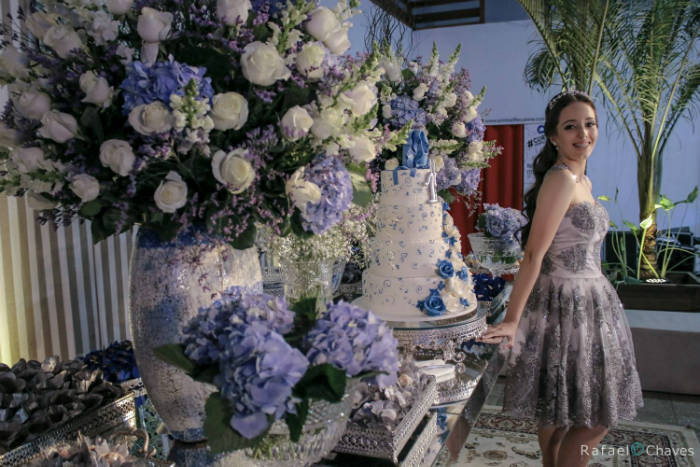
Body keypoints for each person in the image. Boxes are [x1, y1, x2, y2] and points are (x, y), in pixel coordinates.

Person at [477, 90, 643, 467]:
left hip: (589, 303)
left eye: (589, 124)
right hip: (565, 303)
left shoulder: (582, 181)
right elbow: (534, 254)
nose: (583, 134)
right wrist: (512, 321)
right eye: (571, 127)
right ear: (553, 136)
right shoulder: (562, 180)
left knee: (563, 407)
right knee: (595, 417)